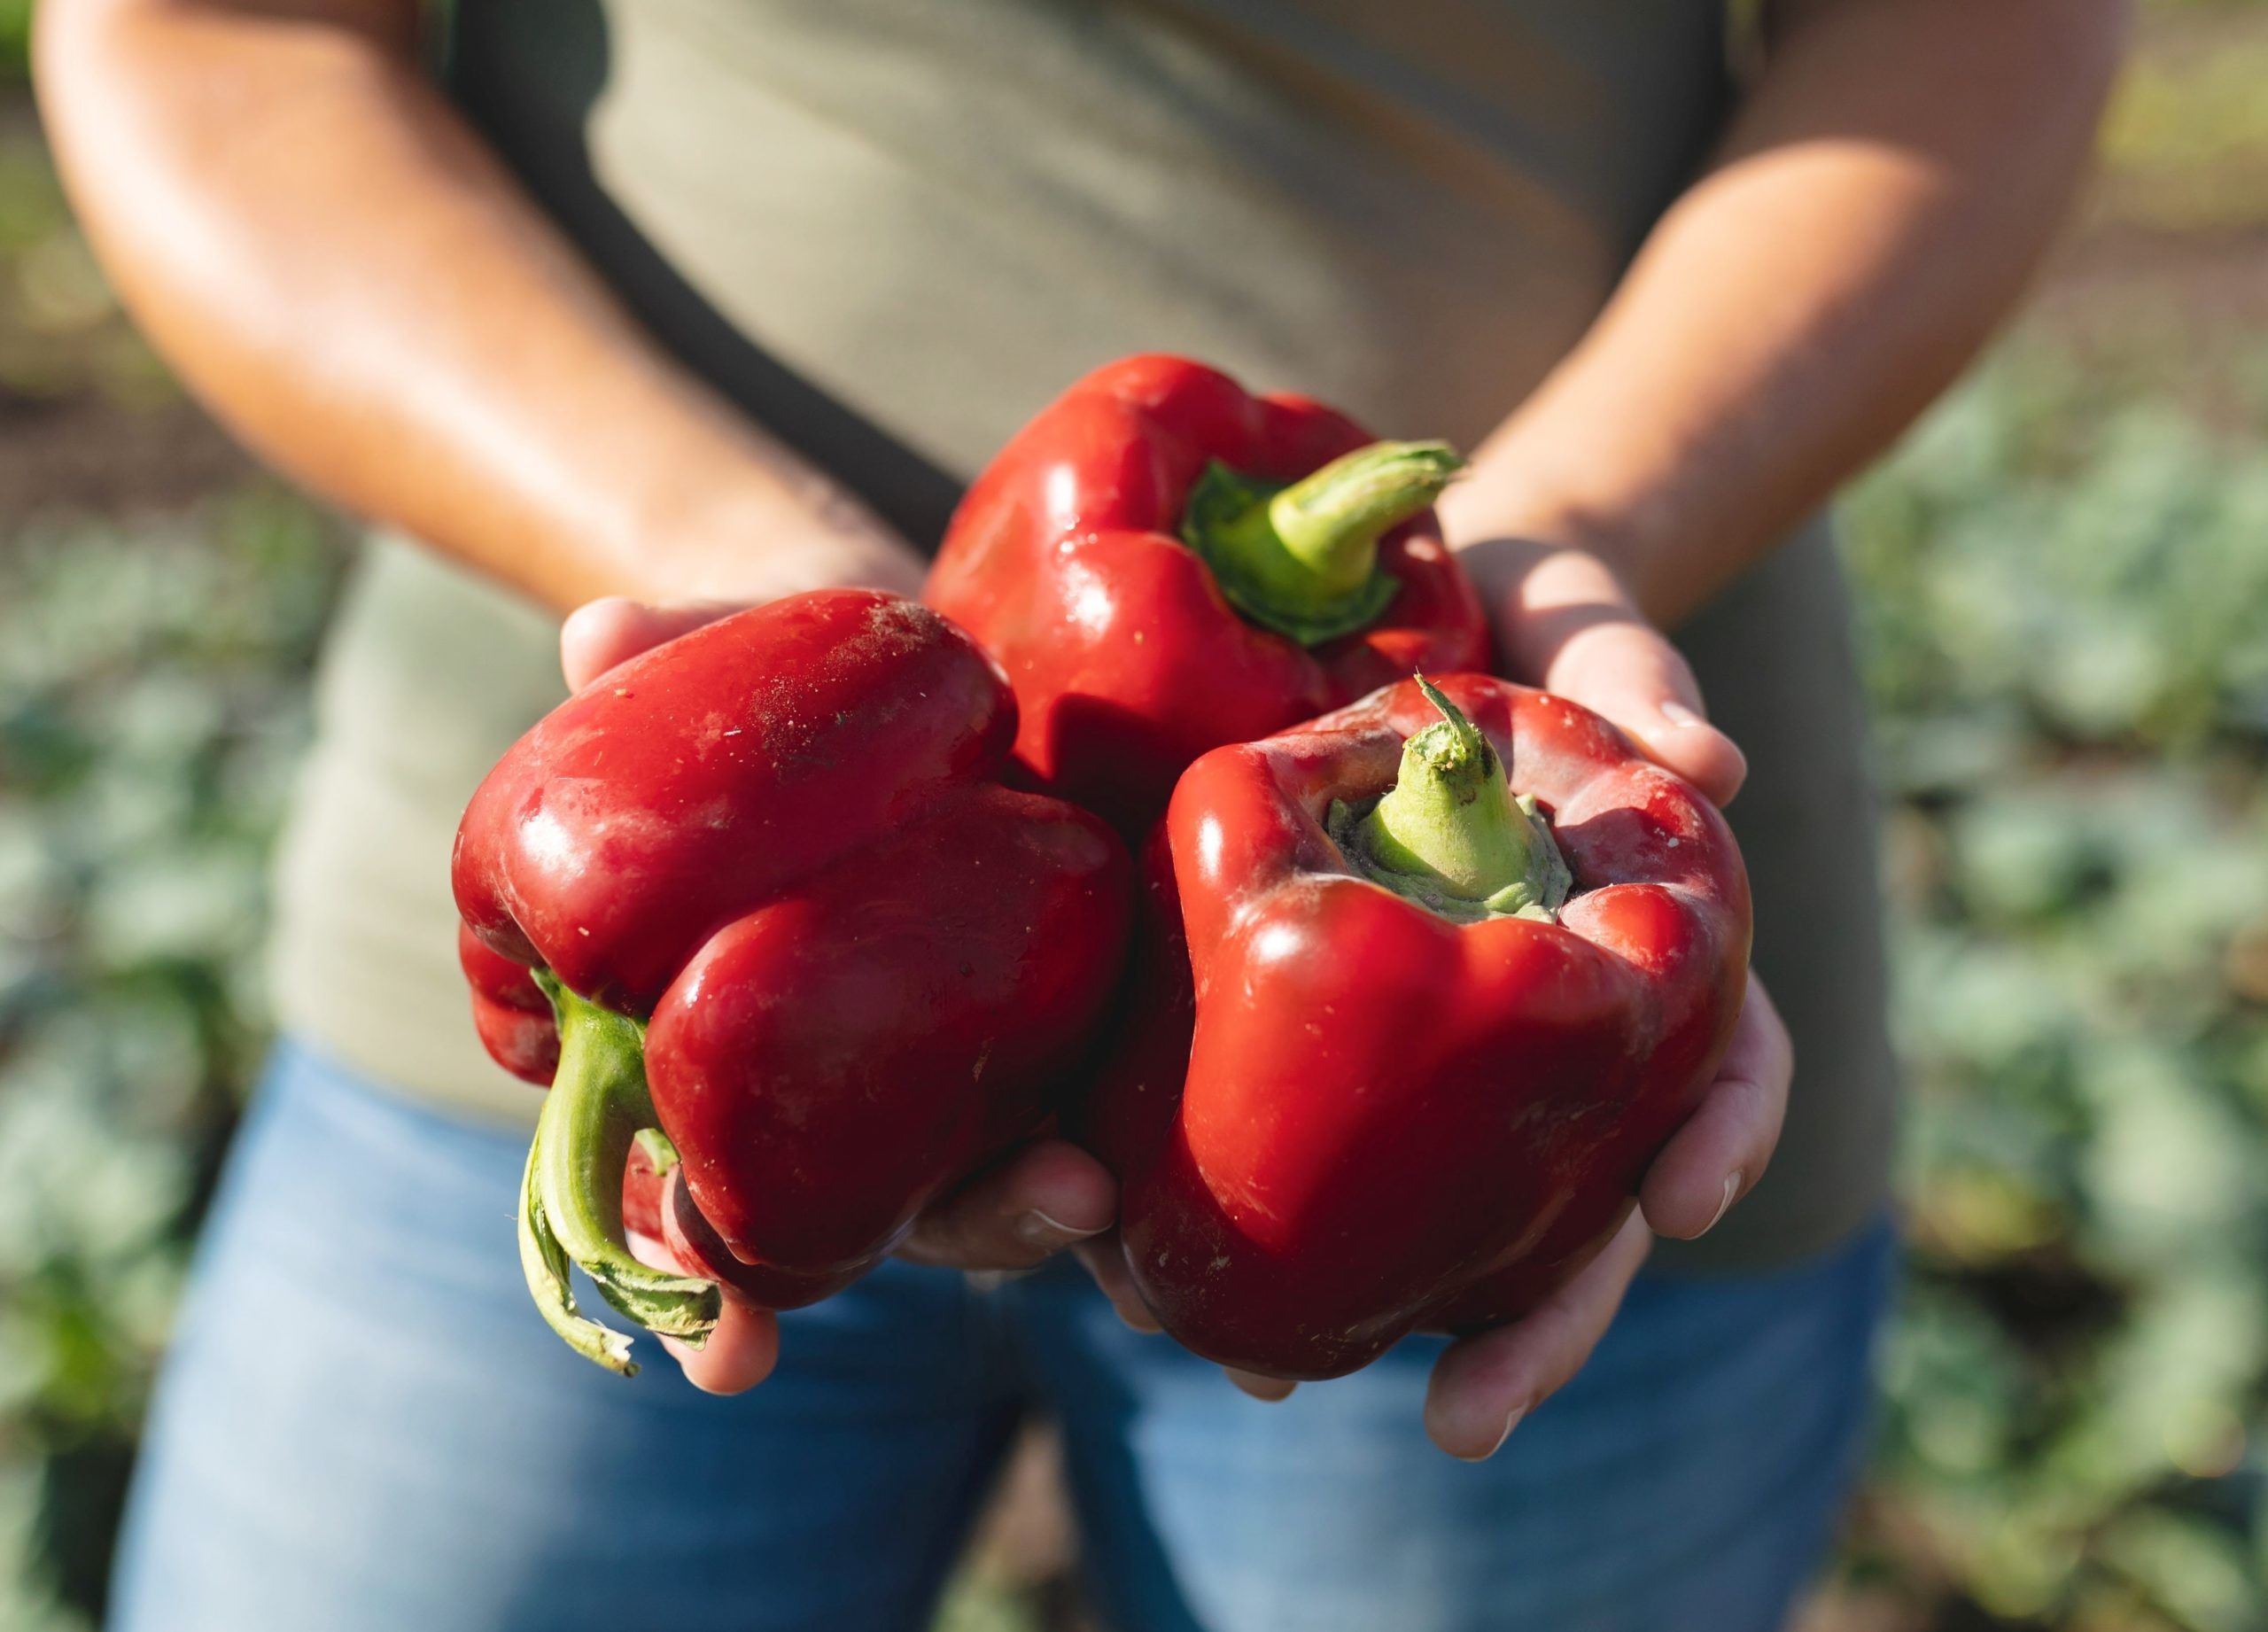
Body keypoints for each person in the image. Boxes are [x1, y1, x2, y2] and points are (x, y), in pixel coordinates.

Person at [36, 2, 2124, 1628]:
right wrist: (718, 572)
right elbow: (223, 35)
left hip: (1533, 954)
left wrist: (1581, 526)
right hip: (607, 918)